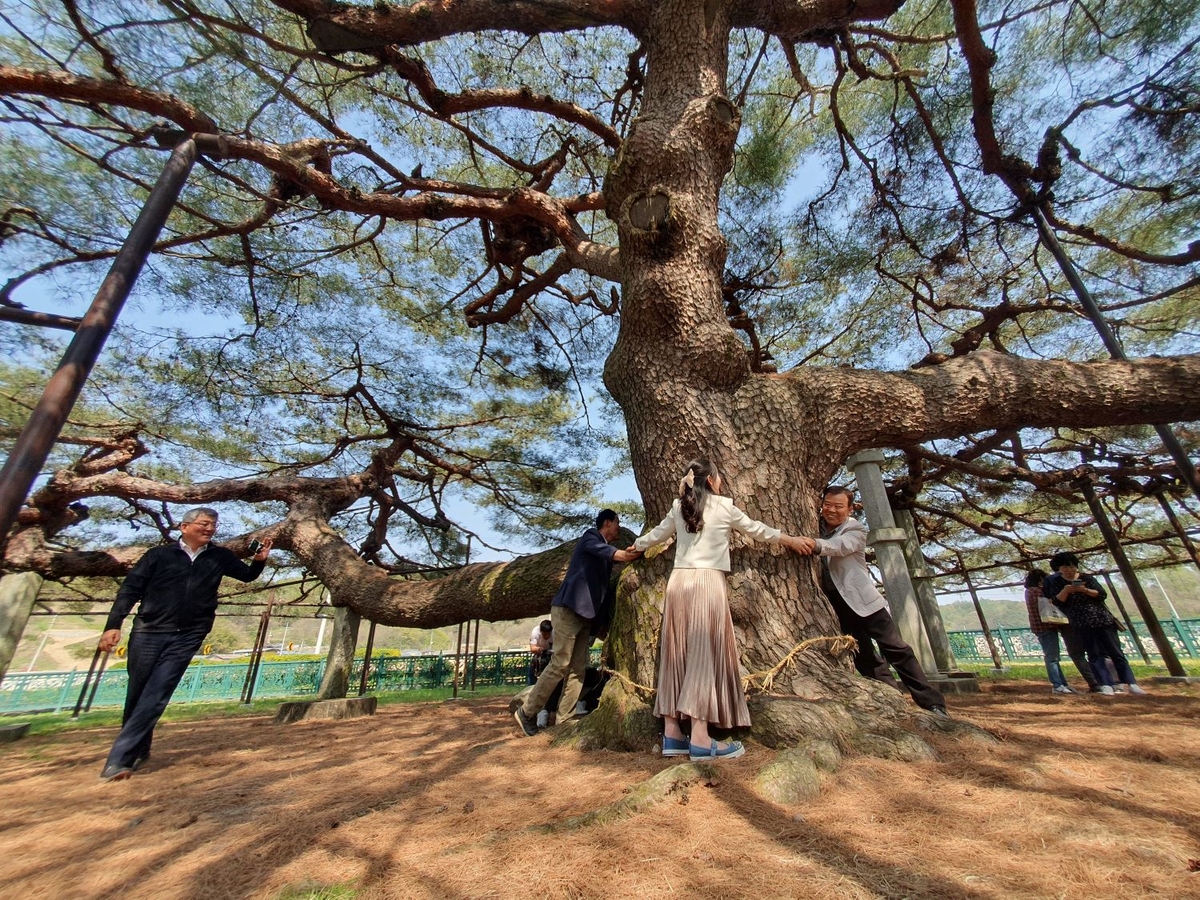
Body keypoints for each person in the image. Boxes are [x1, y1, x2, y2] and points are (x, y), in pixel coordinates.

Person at [632, 459, 808, 761]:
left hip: (679, 583)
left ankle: (672, 734)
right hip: (706, 582)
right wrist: (790, 539)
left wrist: (632, 548)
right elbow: (757, 530)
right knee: (702, 655)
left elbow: (656, 536)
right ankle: (700, 738)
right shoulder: (724, 506)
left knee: (676, 654)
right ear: (712, 480)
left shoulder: (679, 507)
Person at [97, 508, 272, 780]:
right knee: (138, 691)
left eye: (213, 525)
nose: (210, 529)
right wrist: (113, 624)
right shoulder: (159, 555)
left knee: (158, 691)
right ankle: (139, 748)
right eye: (204, 524)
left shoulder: (219, 556)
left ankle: (119, 760)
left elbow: (247, 576)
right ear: (184, 526)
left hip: (189, 633)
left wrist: (260, 561)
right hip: (148, 631)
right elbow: (130, 588)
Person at [795, 487, 948, 717]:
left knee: (897, 649)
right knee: (863, 655)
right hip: (836, 605)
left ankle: (932, 702)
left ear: (849, 508)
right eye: (828, 504)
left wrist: (813, 544)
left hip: (864, 602)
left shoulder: (855, 528)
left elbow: (841, 546)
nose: (831, 510)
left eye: (838, 506)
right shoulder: (811, 523)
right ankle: (890, 698)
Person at [514, 509, 640, 736]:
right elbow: (605, 551)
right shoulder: (590, 536)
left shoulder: (604, 556)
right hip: (568, 611)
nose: (619, 528)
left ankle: (565, 718)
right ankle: (527, 712)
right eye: (617, 523)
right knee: (560, 662)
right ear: (608, 522)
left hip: (585, 618)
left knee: (578, 668)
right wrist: (625, 554)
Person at [1042, 552, 1146, 696]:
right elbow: (1056, 601)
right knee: (1094, 655)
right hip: (1081, 623)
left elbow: (1102, 594)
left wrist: (1085, 590)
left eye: (1072, 566)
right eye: (1065, 567)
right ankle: (1105, 684)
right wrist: (1066, 590)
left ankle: (1131, 683)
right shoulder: (1056, 583)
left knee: (1116, 653)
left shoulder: (1087, 578)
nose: (1069, 570)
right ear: (1059, 569)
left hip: (1102, 620)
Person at [1024, 568, 1098, 695]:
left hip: (1042, 626)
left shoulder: (1030, 591)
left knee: (1053, 656)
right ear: (1041, 579)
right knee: (1052, 657)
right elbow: (1047, 604)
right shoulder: (1036, 591)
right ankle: (1057, 685)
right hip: (1045, 626)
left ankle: (1062, 684)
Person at [527, 619, 553, 685]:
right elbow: (532, 648)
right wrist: (538, 649)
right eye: (544, 634)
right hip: (539, 653)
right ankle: (531, 687)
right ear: (540, 631)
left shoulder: (555, 633)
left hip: (552, 654)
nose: (546, 636)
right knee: (532, 673)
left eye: (548, 634)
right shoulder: (535, 632)